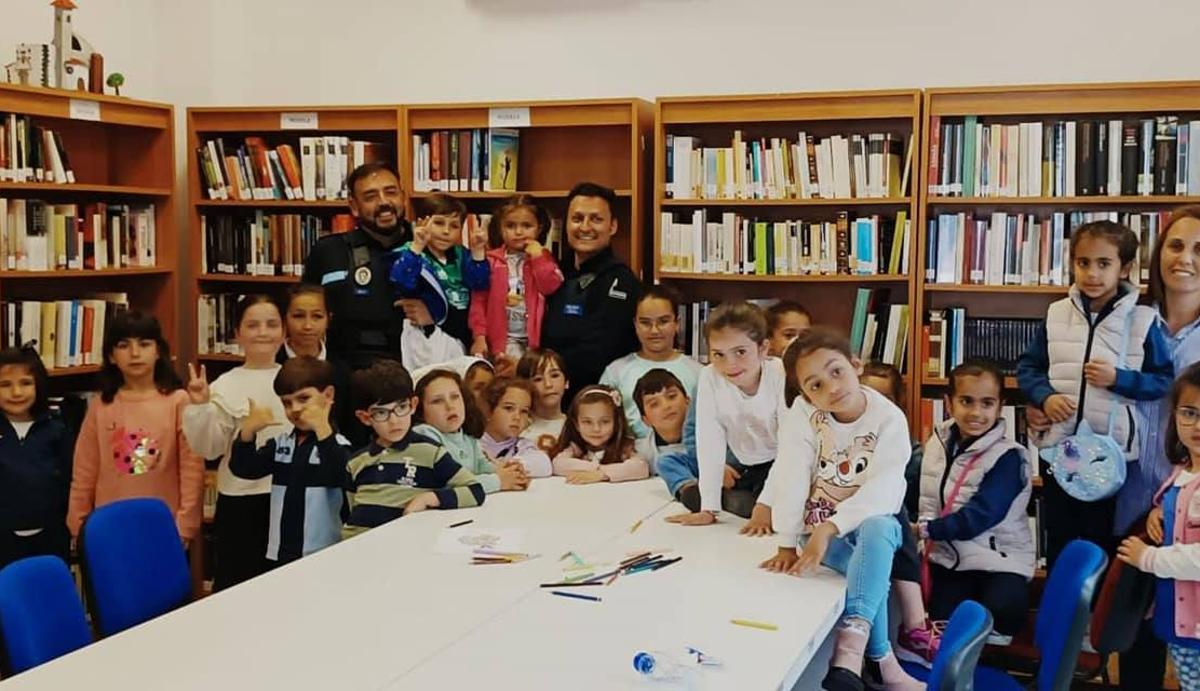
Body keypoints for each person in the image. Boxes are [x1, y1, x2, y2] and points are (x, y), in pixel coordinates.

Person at [762, 327, 920, 691]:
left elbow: (884, 492)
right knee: (870, 576)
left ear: (856, 365)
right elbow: (791, 473)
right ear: (805, 394)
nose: (831, 388)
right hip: (818, 534)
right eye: (816, 385)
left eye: (836, 371)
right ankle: (879, 660)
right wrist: (787, 542)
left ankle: (851, 651)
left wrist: (830, 526)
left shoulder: (889, 418)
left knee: (880, 527)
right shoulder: (804, 415)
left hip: (862, 528)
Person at [1017, 220, 1173, 563]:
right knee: (1059, 538)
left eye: (1104, 264)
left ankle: (1095, 600)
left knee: (1099, 542)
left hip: (1110, 455)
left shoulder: (1143, 320)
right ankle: (1060, 596)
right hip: (1061, 449)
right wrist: (1045, 397)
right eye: (1083, 262)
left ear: (1124, 268)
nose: (1092, 274)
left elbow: (1163, 381)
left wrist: (1119, 378)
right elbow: (1028, 368)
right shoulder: (1056, 314)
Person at [1110, 206, 1200, 690]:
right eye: (1176, 245)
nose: (1185, 259)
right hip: (1122, 502)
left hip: (1190, 517)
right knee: (1135, 643)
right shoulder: (1126, 319)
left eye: (1199, 250)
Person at [918, 359, 1034, 646]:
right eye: (966, 401)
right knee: (938, 627)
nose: (976, 413)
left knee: (1000, 613)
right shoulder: (936, 444)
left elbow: (980, 517)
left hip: (997, 563)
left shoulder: (1009, 457)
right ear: (948, 403)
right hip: (948, 560)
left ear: (1000, 406)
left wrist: (925, 530)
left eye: (987, 403)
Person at [68, 312, 204, 547]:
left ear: (158, 351)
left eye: (144, 344)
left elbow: (192, 469)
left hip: (164, 527)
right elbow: (84, 472)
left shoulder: (178, 401)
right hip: (109, 529)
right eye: (124, 345)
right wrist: (78, 526)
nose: (135, 353)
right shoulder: (100, 406)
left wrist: (185, 526)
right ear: (111, 356)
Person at [183, 294, 289, 591]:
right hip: (241, 500)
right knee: (238, 584)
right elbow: (210, 448)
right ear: (237, 333)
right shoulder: (225, 384)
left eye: (272, 324)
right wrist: (201, 406)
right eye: (253, 325)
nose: (263, 333)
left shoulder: (297, 378)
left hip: (288, 496)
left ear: (284, 331)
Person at [664, 302, 784, 530]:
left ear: (763, 348)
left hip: (786, 463)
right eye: (719, 354)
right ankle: (731, 500)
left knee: (786, 510)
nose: (730, 364)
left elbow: (792, 449)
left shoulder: (780, 374)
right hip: (745, 464)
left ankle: (750, 502)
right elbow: (709, 441)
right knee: (671, 461)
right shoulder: (709, 377)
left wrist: (766, 504)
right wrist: (708, 509)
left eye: (740, 352)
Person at [1118, 362, 1200, 691]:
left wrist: (1148, 558)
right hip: (1182, 622)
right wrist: (1158, 512)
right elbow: (1179, 509)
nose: (1198, 425)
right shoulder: (1182, 470)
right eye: (1189, 413)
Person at [228, 357, 352, 566]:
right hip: (281, 552)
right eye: (286, 402)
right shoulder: (281, 444)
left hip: (323, 553)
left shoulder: (340, 445)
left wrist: (322, 428)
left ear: (328, 395)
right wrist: (248, 431)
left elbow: (338, 474)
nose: (294, 408)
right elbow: (244, 469)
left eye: (304, 399)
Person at [342, 360, 485, 539]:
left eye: (401, 407)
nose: (394, 421)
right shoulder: (356, 462)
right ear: (365, 417)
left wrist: (429, 498)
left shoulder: (430, 452)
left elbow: (475, 491)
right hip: (355, 545)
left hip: (404, 543)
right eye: (381, 412)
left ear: (413, 405)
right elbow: (350, 512)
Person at [861, 360, 938, 665]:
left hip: (895, 536)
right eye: (867, 396)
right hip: (850, 528)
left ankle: (908, 632)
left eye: (884, 399)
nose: (875, 406)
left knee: (891, 509)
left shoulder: (912, 452)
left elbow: (915, 506)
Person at [301, 161, 414, 370]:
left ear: (403, 197)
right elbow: (303, 314)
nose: (384, 202)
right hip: (344, 369)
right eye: (371, 197)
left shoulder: (431, 249)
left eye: (391, 192)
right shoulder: (328, 251)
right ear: (354, 206)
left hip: (415, 365)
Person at [541, 182, 641, 397]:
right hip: (547, 394)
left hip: (595, 399)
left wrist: (539, 368)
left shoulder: (621, 281)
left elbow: (600, 353)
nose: (585, 227)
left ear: (612, 226)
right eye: (577, 219)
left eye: (596, 219)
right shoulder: (553, 273)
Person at [468, 194, 563, 366]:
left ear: (539, 228)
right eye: (510, 226)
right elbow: (479, 300)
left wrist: (538, 258)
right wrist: (479, 336)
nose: (518, 232)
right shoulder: (491, 261)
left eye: (527, 226)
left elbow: (550, 286)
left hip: (533, 342)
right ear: (500, 228)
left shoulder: (543, 258)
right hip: (501, 342)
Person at [389, 193, 490, 354]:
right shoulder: (410, 252)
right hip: (424, 335)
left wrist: (478, 251)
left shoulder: (462, 255)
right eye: (438, 223)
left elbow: (480, 283)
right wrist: (417, 247)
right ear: (421, 222)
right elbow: (401, 280)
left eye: (454, 226)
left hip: (459, 333)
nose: (446, 231)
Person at [0, 347, 72, 569]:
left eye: (25, 383)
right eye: (5, 385)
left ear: (38, 385)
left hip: (51, 537)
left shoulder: (57, 429)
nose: (16, 392)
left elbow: (70, 482)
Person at [600, 285, 702, 439]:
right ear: (635, 324)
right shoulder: (615, 372)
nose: (654, 330)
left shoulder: (698, 373)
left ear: (677, 323)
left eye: (663, 321)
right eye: (645, 322)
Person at [412, 369, 528, 494]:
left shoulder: (468, 436)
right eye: (437, 401)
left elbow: (482, 467)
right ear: (421, 411)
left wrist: (509, 471)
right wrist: (498, 481)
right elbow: (450, 486)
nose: (450, 406)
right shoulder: (423, 435)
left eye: (455, 397)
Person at [278, 282, 362, 448]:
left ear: (329, 319)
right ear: (284, 319)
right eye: (298, 316)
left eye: (317, 316)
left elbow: (353, 431)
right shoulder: (273, 364)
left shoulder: (342, 372)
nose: (308, 326)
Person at [550, 384, 648, 484]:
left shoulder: (624, 447)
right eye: (587, 422)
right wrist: (595, 468)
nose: (596, 429)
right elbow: (558, 464)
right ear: (577, 425)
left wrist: (601, 474)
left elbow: (641, 468)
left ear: (616, 423)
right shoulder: (577, 448)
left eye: (605, 422)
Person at [478, 377, 552, 478]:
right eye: (509, 408)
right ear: (488, 410)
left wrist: (509, 464)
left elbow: (545, 465)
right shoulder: (471, 443)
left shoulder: (522, 445)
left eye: (524, 411)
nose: (517, 417)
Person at [631, 368, 689, 475]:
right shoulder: (637, 453)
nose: (666, 406)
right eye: (654, 404)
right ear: (645, 420)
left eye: (672, 396)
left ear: (688, 401)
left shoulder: (712, 442)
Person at [517, 348, 569, 452]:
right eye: (538, 379)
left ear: (566, 382)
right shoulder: (517, 427)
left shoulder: (578, 426)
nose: (548, 384)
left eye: (554, 375)